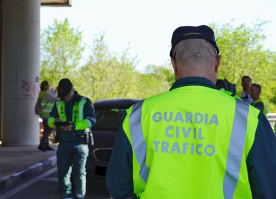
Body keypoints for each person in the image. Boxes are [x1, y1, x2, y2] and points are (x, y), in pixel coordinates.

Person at [106, 25, 276, 198]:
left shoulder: (137, 115)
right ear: (217, 62)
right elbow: (268, 189)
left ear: (173, 62)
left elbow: (119, 188)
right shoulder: (249, 118)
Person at [48, 78, 96, 199]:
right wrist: (54, 121)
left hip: (80, 143)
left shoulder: (85, 102)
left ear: (73, 90)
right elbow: (49, 120)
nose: (65, 98)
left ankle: (80, 196)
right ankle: (66, 196)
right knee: (63, 173)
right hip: (64, 143)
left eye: (67, 95)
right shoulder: (59, 103)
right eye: (62, 95)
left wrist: (74, 126)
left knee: (79, 173)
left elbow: (91, 121)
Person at [36, 80, 57, 151]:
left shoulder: (42, 93)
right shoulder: (45, 93)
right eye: (48, 85)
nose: (49, 86)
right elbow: (54, 99)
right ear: (45, 86)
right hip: (47, 114)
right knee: (48, 130)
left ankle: (46, 145)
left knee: (46, 130)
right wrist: (56, 92)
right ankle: (42, 144)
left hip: (44, 114)